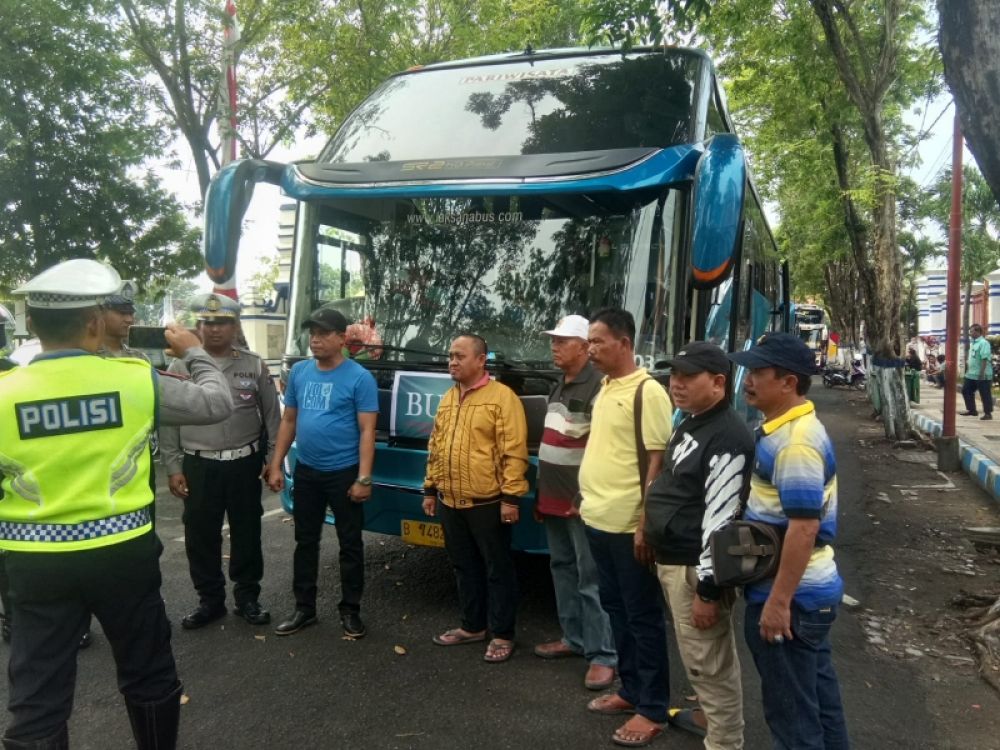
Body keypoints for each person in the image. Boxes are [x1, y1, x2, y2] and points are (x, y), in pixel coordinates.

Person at [0, 258, 233, 749]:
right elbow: (216, 404)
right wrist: (194, 353)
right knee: (147, 672)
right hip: (122, 554)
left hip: (34, 561)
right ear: (92, 321)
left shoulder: (4, 393)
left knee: (37, 695)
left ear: (32, 325)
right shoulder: (133, 379)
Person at [728, 333, 849, 750]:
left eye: (759, 372)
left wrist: (778, 603)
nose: (748, 379)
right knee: (817, 702)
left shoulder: (797, 443)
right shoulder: (782, 429)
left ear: (789, 382)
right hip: (807, 595)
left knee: (792, 717)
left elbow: (803, 528)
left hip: (793, 600)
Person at [645, 342, 754, 749]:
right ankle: (712, 722)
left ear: (719, 382)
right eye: (674, 375)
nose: (676, 384)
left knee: (710, 666)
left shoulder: (727, 436)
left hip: (696, 571)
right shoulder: (694, 420)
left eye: (688, 376)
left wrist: (708, 591)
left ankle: (724, 742)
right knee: (701, 661)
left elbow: (721, 520)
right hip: (675, 560)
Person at [579, 307, 673, 748]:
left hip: (627, 526)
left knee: (643, 616)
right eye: (589, 341)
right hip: (597, 518)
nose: (590, 349)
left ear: (625, 342)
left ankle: (653, 707)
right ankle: (631, 689)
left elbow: (658, 463)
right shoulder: (607, 385)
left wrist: (643, 524)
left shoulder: (648, 392)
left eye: (597, 341)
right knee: (616, 609)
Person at [160, 293, 281, 630]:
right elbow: (167, 420)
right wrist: (173, 467)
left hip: (244, 464)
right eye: (208, 323)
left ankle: (247, 598)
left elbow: (272, 417)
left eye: (222, 323)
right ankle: (210, 601)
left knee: (247, 532)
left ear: (234, 325)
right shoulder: (180, 366)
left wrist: (272, 460)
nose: (214, 330)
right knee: (200, 537)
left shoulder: (253, 364)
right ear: (198, 326)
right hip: (199, 466)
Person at [265, 307, 378, 639]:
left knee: (350, 544)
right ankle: (304, 608)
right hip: (308, 472)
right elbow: (289, 421)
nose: (314, 339)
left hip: (344, 474)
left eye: (323, 333)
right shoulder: (300, 372)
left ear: (342, 338)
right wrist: (276, 464)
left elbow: (367, 432)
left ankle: (350, 610)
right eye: (312, 333)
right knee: (305, 541)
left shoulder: (359, 378)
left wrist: (364, 478)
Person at [422, 333, 529, 664]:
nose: (452, 362)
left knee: (498, 569)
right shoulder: (448, 398)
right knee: (463, 566)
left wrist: (511, 497)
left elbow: (514, 451)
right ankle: (472, 627)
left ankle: (502, 634)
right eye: (450, 356)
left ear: (481, 360)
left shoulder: (502, 398)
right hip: (450, 500)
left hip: (488, 502)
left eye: (459, 356)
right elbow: (436, 446)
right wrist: (430, 488)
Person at [532, 315, 616, 690]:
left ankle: (603, 656)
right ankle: (574, 639)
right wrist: (540, 493)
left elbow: (602, 450)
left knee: (591, 578)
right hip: (552, 498)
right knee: (562, 568)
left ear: (584, 347)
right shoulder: (558, 385)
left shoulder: (600, 386)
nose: (554, 346)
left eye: (562, 341)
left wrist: (582, 496)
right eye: (554, 340)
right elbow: (553, 443)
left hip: (581, 502)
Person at [99, 281, 147, 361]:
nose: (129, 319)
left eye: (131, 313)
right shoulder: (89, 356)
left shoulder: (138, 358)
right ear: (102, 312)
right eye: (121, 313)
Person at [961, 324, 993, 420]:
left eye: (972, 331)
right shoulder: (973, 343)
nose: (970, 333)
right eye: (970, 331)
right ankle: (972, 410)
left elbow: (984, 358)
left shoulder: (984, 343)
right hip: (971, 374)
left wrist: (982, 373)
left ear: (978, 332)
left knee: (985, 393)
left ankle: (988, 413)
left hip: (982, 374)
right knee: (966, 390)